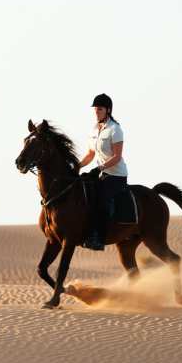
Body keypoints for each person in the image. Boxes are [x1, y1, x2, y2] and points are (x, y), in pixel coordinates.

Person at [78, 93, 128, 250]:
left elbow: (117, 157)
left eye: (99, 109)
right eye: (95, 109)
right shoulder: (94, 130)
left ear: (108, 110)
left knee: (100, 199)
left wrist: (99, 168)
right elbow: (90, 154)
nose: (96, 112)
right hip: (100, 174)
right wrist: (77, 166)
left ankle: (98, 238)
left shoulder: (115, 129)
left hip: (116, 176)